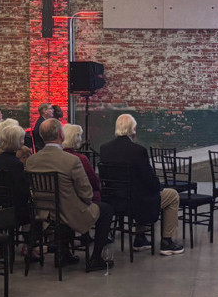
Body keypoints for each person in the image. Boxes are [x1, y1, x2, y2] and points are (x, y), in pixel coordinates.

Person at [26, 118, 115, 270]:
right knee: (106, 210)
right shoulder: (71, 160)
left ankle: (64, 254)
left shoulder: (31, 160)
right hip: (68, 213)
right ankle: (96, 258)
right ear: (61, 134)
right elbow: (86, 194)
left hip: (44, 214)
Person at [99, 113, 185, 255]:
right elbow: (149, 180)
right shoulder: (138, 151)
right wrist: (159, 186)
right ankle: (167, 242)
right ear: (133, 129)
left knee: (142, 191)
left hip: (114, 200)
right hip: (136, 201)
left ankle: (141, 238)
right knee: (172, 195)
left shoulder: (104, 149)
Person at [0, 119, 32, 227]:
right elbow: (22, 192)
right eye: (22, 139)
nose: (23, 142)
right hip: (15, 209)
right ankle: (29, 241)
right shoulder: (16, 164)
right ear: (17, 142)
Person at [63, 123, 101, 204]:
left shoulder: (57, 157)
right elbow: (94, 183)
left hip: (62, 200)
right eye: (79, 136)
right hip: (80, 201)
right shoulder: (81, 159)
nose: (81, 139)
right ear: (75, 138)